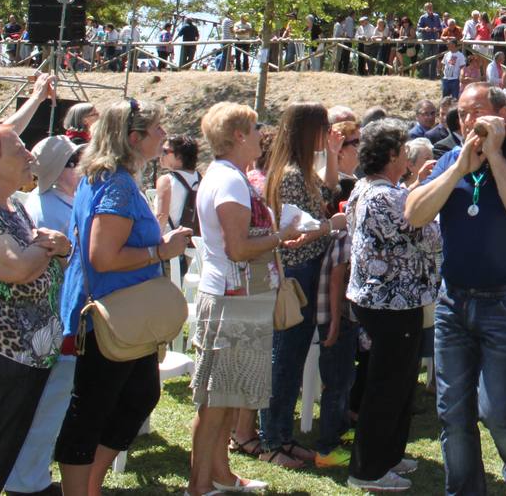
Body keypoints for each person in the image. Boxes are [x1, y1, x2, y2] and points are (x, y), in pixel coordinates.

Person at [407, 82, 506, 495]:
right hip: (454, 299)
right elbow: (414, 214)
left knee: (496, 407)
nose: (470, 121)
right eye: (463, 114)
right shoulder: (450, 158)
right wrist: (456, 170)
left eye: (478, 111)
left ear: (501, 116)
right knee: (452, 411)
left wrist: (497, 156)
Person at [55, 99, 193, 495]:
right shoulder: (114, 183)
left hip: (120, 314)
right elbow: (103, 257)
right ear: (134, 139)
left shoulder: (107, 177)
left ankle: (89, 486)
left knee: (137, 396)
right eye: (157, 131)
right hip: (109, 316)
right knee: (93, 410)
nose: (165, 137)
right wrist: (159, 251)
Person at [187, 102, 293, 496]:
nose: (262, 134)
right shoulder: (230, 181)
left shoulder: (230, 175)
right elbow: (237, 248)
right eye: (255, 127)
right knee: (216, 402)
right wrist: (282, 236)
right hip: (232, 298)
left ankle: (221, 476)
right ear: (238, 136)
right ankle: (199, 486)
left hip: (238, 297)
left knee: (228, 396)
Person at [0, 125, 70, 495]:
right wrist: (50, 246)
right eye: (20, 150)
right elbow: (15, 268)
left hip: (21, 362)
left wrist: (55, 249)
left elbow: (42, 267)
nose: (31, 157)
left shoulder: (12, 207)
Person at [345, 119, 441, 492]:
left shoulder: (369, 188)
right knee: (387, 387)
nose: (408, 158)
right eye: (403, 152)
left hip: (389, 300)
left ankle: (389, 454)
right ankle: (367, 470)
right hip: (391, 302)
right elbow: (428, 234)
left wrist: (418, 187)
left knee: (400, 384)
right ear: (390, 156)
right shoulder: (386, 197)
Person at [256, 102, 342, 468]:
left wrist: (334, 155)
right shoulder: (291, 175)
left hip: (306, 270)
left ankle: (282, 437)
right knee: (285, 360)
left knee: (290, 359)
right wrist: (329, 227)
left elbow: (331, 188)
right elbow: (294, 235)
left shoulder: (301, 171)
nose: (328, 134)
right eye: (324, 128)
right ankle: (272, 439)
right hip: (297, 272)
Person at [155, 134, 201, 235]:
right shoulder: (201, 179)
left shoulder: (166, 181)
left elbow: (161, 217)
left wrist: (153, 247)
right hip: (197, 245)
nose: (160, 155)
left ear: (179, 156)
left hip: (172, 244)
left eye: (165, 151)